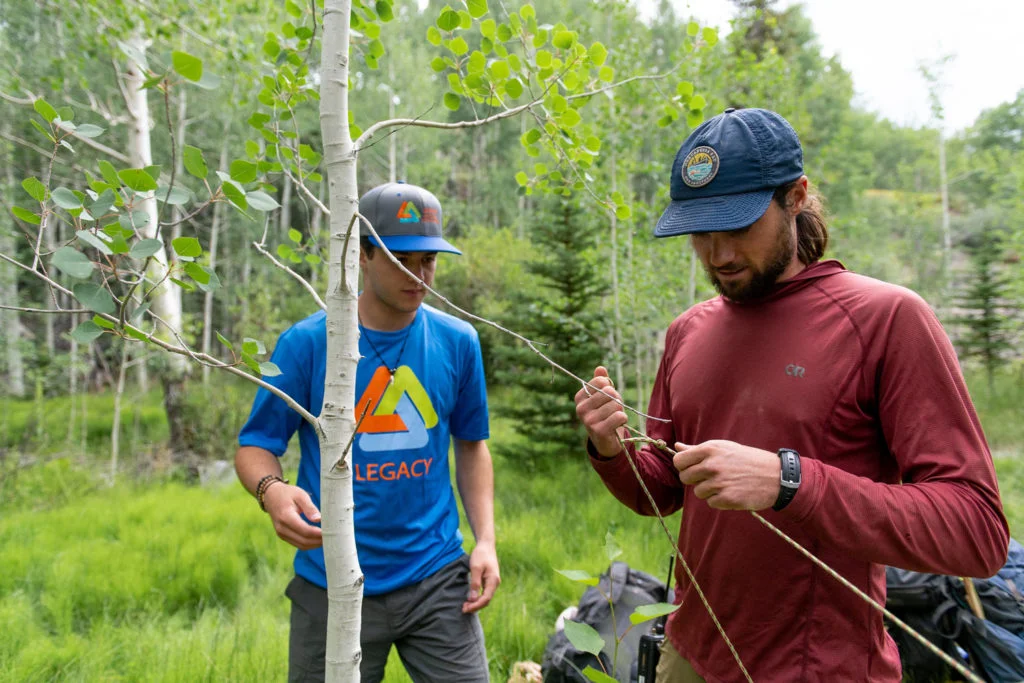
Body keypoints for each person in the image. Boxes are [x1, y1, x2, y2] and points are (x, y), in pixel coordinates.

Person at [574, 108, 1009, 682]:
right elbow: (664, 491)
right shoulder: (689, 331)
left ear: (796, 197)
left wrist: (789, 481)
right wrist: (611, 449)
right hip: (690, 656)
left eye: (739, 226)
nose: (718, 254)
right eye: (700, 231)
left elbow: (976, 532)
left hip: (821, 669)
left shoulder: (884, 319)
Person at [235, 182, 499, 683]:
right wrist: (272, 491)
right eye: (402, 259)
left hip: (438, 577)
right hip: (331, 579)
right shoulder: (309, 343)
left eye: (429, 261)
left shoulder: (458, 341)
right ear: (362, 253)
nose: (419, 276)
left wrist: (485, 540)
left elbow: (471, 445)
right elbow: (256, 446)